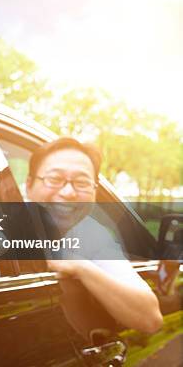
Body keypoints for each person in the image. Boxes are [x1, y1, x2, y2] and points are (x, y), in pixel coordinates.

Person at [25, 137, 163, 333]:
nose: (68, 192)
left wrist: (82, 267)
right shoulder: (0, 221)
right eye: (54, 179)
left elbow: (150, 319)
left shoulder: (90, 234)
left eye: (81, 183)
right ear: (29, 185)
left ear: (94, 192)